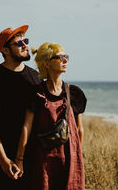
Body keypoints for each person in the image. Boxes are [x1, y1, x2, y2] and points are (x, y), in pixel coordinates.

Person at [0, 24, 41, 190]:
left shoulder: (36, 78)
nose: (25, 45)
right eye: (19, 43)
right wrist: (3, 160)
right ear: (5, 50)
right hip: (0, 156)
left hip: (31, 155)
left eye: (26, 40)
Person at [15, 42, 87, 190]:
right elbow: (26, 127)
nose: (65, 60)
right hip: (44, 160)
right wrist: (19, 159)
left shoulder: (74, 93)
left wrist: (77, 157)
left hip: (70, 159)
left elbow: (80, 129)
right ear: (46, 64)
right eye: (60, 57)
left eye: (66, 56)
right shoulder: (36, 94)